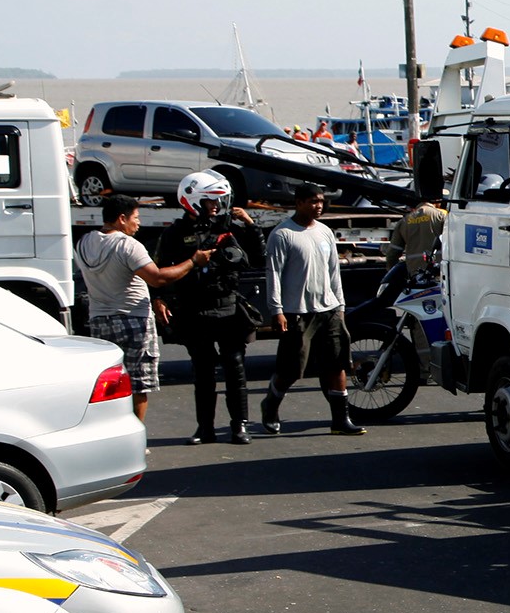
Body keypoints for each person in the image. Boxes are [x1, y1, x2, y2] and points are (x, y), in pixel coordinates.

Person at [76, 196, 215, 423]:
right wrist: (194, 261)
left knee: (109, 385)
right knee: (138, 384)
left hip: (100, 321)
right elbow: (157, 278)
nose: (138, 223)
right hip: (133, 322)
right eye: (136, 218)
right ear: (122, 219)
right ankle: (135, 439)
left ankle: (111, 435)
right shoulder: (127, 245)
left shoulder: (83, 243)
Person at [157, 171, 265, 445]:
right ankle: (204, 428)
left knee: (235, 367)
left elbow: (257, 258)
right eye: (210, 201)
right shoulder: (174, 234)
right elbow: (160, 270)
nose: (216, 206)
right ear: (193, 200)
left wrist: (250, 225)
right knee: (203, 371)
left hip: (228, 307)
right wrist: (159, 297)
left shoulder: (227, 229)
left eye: (218, 201)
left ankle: (240, 426)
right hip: (195, 310)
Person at [262, 184, 364, 436]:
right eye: (312, 201)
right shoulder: (283, 234)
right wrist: (277, 310)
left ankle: (341, 420)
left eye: (320, 201)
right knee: (291, 370)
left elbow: (333, 272)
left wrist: (340, 306)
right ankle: (271, 404)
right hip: (297, 312)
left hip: (328, 310)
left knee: (337, 364)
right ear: (298, 203)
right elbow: (273, 274)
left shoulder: (325, 232)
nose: (318, 206)